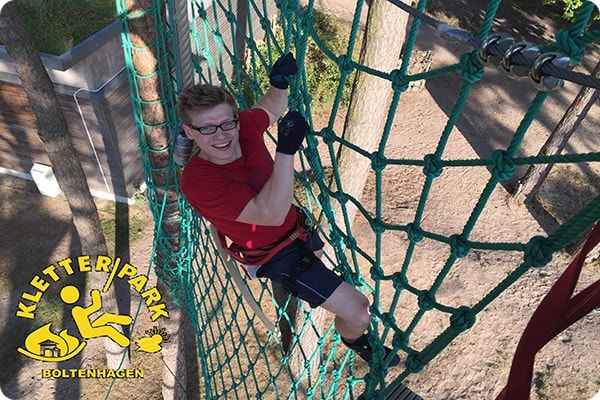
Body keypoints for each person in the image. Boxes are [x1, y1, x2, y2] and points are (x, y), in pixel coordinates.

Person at [178, 52, 399, 366]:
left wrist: (278, 82)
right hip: (276, 256)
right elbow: (270, 215)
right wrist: (285, 151)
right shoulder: (198, 181)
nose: (222, 135)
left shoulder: (243, 128)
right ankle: (362, 346)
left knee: (328, 271)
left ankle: (323, 295)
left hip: (297, 229)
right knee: (359, 310)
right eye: (207, 128)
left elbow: (270, 107)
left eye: (227, 122)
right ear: (189, 132)